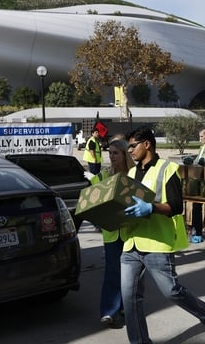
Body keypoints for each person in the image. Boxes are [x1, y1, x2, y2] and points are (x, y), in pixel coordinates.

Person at [121, 127, 205, 344]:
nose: (129, 150)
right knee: (130, 299)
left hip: (157, 243)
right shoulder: (130, 174)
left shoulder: (168, 169)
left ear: (147, 144)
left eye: (132, 146)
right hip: (131, 245)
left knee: (172, 292)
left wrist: (151, 208)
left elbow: (176, 206)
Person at [85, 139, 135, 328]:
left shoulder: (134, 174)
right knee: (113, 272)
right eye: (110, 153)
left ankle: (125, 308)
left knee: (130, 274)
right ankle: (109, 311)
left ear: (124, 154)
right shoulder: (104, 175)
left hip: (132, 231)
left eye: (116, 153)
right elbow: (92, 197)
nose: (112, 157)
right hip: (111, 233)